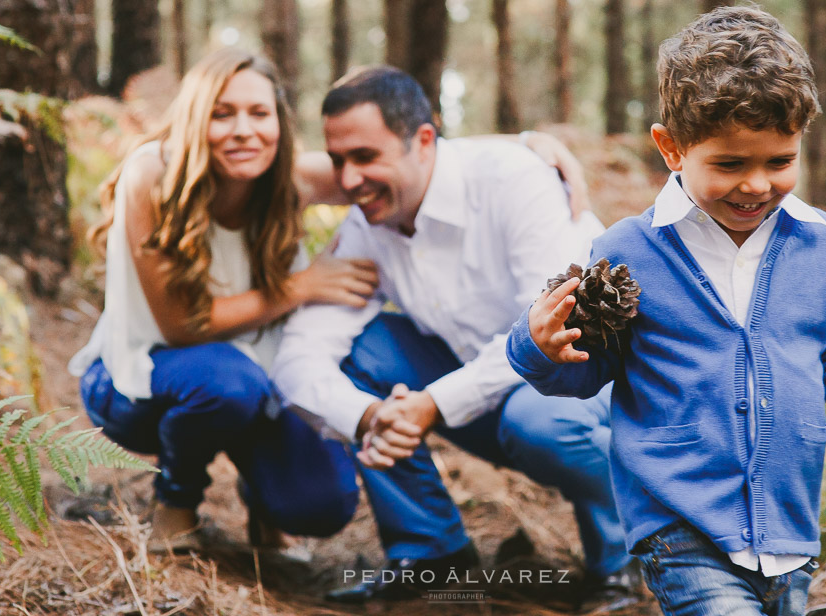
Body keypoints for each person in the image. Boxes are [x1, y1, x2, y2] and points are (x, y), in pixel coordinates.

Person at [508, 5, 826, 616]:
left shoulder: (821, 242)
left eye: (779, 162)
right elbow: (586, 369)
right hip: (678, 522)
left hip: (787, 531)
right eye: (729, 164)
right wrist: (540, 347)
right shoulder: (627, 251)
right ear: (672, 149)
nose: (756, 185)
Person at [272, 66, 639, 610]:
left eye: (366, 157)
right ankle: (431, 555)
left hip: (575, 380)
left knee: (541, 424)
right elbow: (299, 354)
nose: (348, 180)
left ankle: (625, 558)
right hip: (475, 388)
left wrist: (432, 403)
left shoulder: (514, 180)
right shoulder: (367, 224)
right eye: (338, 161)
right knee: (363, 348)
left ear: (423, 141)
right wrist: (370, 416)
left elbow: (544, 332)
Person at [68, 48, 378, 553]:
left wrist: (530, 145)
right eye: (222, 113)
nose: (243, 130)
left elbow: (399, 157)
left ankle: (261, 496)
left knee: (321, 503)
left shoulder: (288, 180)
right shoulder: (152, 175)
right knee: (227, 384)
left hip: (256, 380)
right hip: (137, 380)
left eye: (259, 113)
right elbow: (181, 326)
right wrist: (299, 287)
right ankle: (177, 500)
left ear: (279, 120)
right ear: (194, 118)